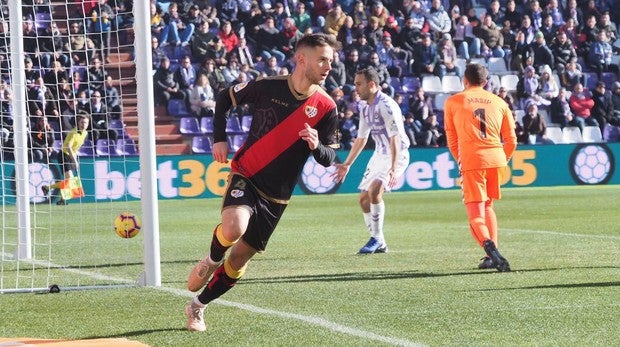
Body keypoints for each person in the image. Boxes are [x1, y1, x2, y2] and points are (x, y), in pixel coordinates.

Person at [184, 33, 341, 332]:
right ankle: (212, 258)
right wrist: (219, 138)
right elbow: (223, 98)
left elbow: (329, 156)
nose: (328, 67)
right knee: (233, 228)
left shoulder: (326, 106)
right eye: (322, 59)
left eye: (330, 61)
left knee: (240, 260)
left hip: (278, 196)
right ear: (301, 59)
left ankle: (197, 306)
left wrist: (316, 145)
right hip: (247, 173)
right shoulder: (267, 86)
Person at [444, 63, 517, 272]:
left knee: (475, 213)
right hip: (496, 158)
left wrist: (462, 160)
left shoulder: (454, 101)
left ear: (464, 80)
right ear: (486, 82)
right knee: (488, 206)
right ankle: (490, 257)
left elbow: (452, 139)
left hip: (472, 159)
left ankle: (488, 246)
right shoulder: (500, 103)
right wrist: (502, 159)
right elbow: (511, 140)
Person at [332, 67, 410, 254]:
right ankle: (380, 241)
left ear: (372, 85)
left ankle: (375, 239)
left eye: (359, 84)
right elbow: (361, 138)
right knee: (363, 200)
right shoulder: (364, 106)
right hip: (379, 154)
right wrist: (347, 164)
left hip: (396, 154)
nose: (355, 88)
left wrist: (393, 167)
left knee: (375, 191)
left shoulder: (387, 105)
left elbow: (395, 138)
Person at [41, 113, 90, 205]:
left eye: (86, 123)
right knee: (70, 179)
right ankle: (60, 198)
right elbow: (68, 147)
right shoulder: (73, 132)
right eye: (82, 122)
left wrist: (74, 157)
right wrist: (74, 160)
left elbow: (76, 147)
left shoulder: (85, 133)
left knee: (69, 181)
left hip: (71, 156)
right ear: (78, 123)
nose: (84, 125)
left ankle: (48, 189)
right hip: (64, 155)